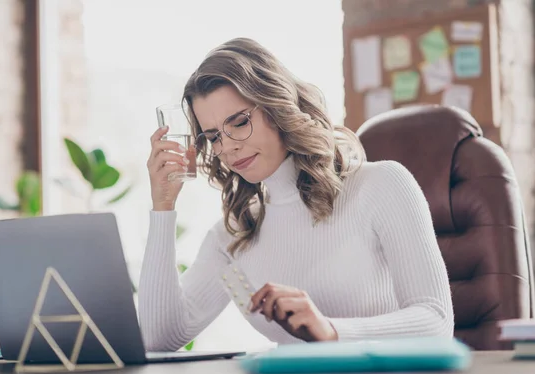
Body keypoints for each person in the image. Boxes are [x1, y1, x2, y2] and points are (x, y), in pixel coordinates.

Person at [139, 38, 454, 351]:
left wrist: (330, 331)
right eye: (213, 136)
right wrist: (163, 207)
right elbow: (159, 338)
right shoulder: (233, 236)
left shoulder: (381, 185)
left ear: (277, 107)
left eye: (239, 122)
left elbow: (436, 321)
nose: (228, 146)